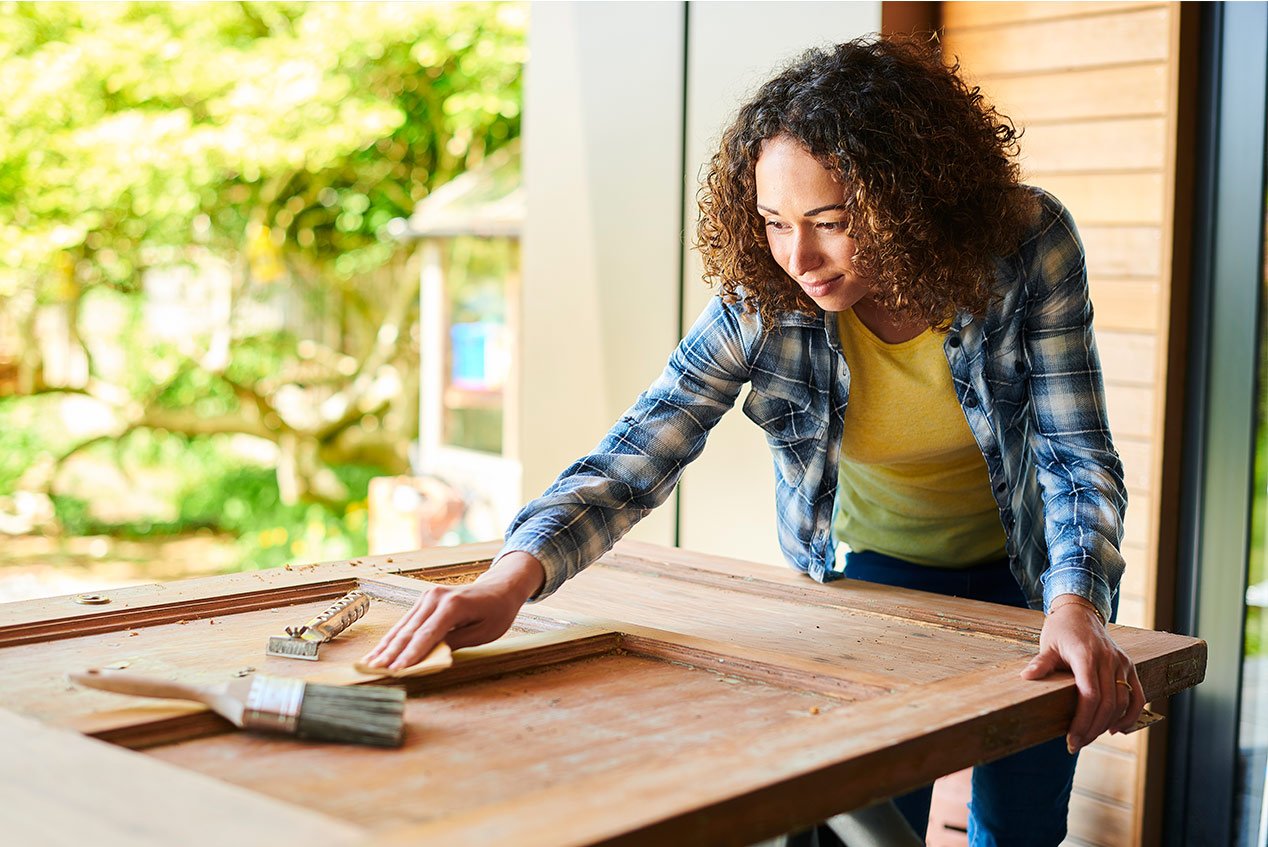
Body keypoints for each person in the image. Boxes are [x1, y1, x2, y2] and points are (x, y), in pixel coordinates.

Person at [362, 35, 1144, 846]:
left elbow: (1073, 453)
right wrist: (510, 580)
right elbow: (638, 453)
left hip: (1032, 578)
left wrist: (1076, 600)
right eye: (774, 222)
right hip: (867, 581)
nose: (799, 256)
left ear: (913, 200)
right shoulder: (765, 295)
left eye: (831, 222)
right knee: (859, 826)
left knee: (1019, 830)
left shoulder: (1026, 246)